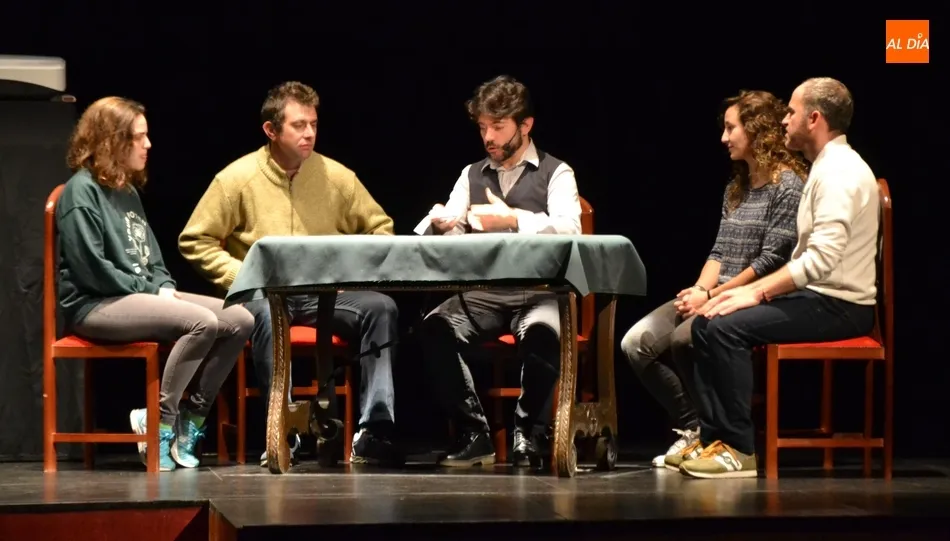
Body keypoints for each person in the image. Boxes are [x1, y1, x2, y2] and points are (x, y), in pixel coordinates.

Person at [178, 81, 402, 467]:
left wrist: (350, 272)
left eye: (313, 123)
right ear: (271, 130)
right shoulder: (237, 179)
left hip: (322, 294)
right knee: (264, 315)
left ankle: (374, 430)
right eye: (299, 125)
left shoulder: (336, 177)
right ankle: (279, 431)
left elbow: (381, 229)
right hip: (266, 295)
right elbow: (195, 240)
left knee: (381, 308)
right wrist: (247, 275)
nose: (310, 133)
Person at [677, 77, 880, 479]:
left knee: (724, 329)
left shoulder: (840, 173)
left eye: (791, 112)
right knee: (708, 321)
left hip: (841, 306)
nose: (784, 120)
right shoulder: (825, 167)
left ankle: (738, 449)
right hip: (818, 297)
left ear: (815, 118)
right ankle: (715, 437)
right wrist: (742, 292)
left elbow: (820, 261)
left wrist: (755, 293)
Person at [56, 97, 255, 472]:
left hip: (134, 294)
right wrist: (150, 290)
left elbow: (152, 256)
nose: (148, 145)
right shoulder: (80, 192)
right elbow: (91, 271)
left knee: (241, 319)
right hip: (93, 304)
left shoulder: (127, 192)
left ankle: (189, 421)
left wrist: (162, 284)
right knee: (203, 323)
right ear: (112, 141)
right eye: (139, 137)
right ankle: (160, 421)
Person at [620, 90, 807, 470]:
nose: (724, 138)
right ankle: (695, 428)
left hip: (757, 297)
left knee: (683, 338)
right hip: (718, 292)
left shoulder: (787, 185)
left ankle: (717, 436)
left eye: (730, 128)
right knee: (635, 343)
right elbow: (719, 251)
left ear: (756, 130)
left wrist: (713, 296)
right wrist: (700, 290)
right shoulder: (736, 186)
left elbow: (772, 261)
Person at [415, 75, 582, 468]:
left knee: (544, 334)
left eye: (498, 126)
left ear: (525, 125)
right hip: (485, 293)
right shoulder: (472, 174)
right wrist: (442, 224)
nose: (488, 136)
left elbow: (569, 229)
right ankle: (475, 434)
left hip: (540, 291)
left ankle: (530, 433)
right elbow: (453, 223)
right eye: (483, 127)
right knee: (433, 328)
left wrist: (514, 220)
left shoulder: (556, 173)